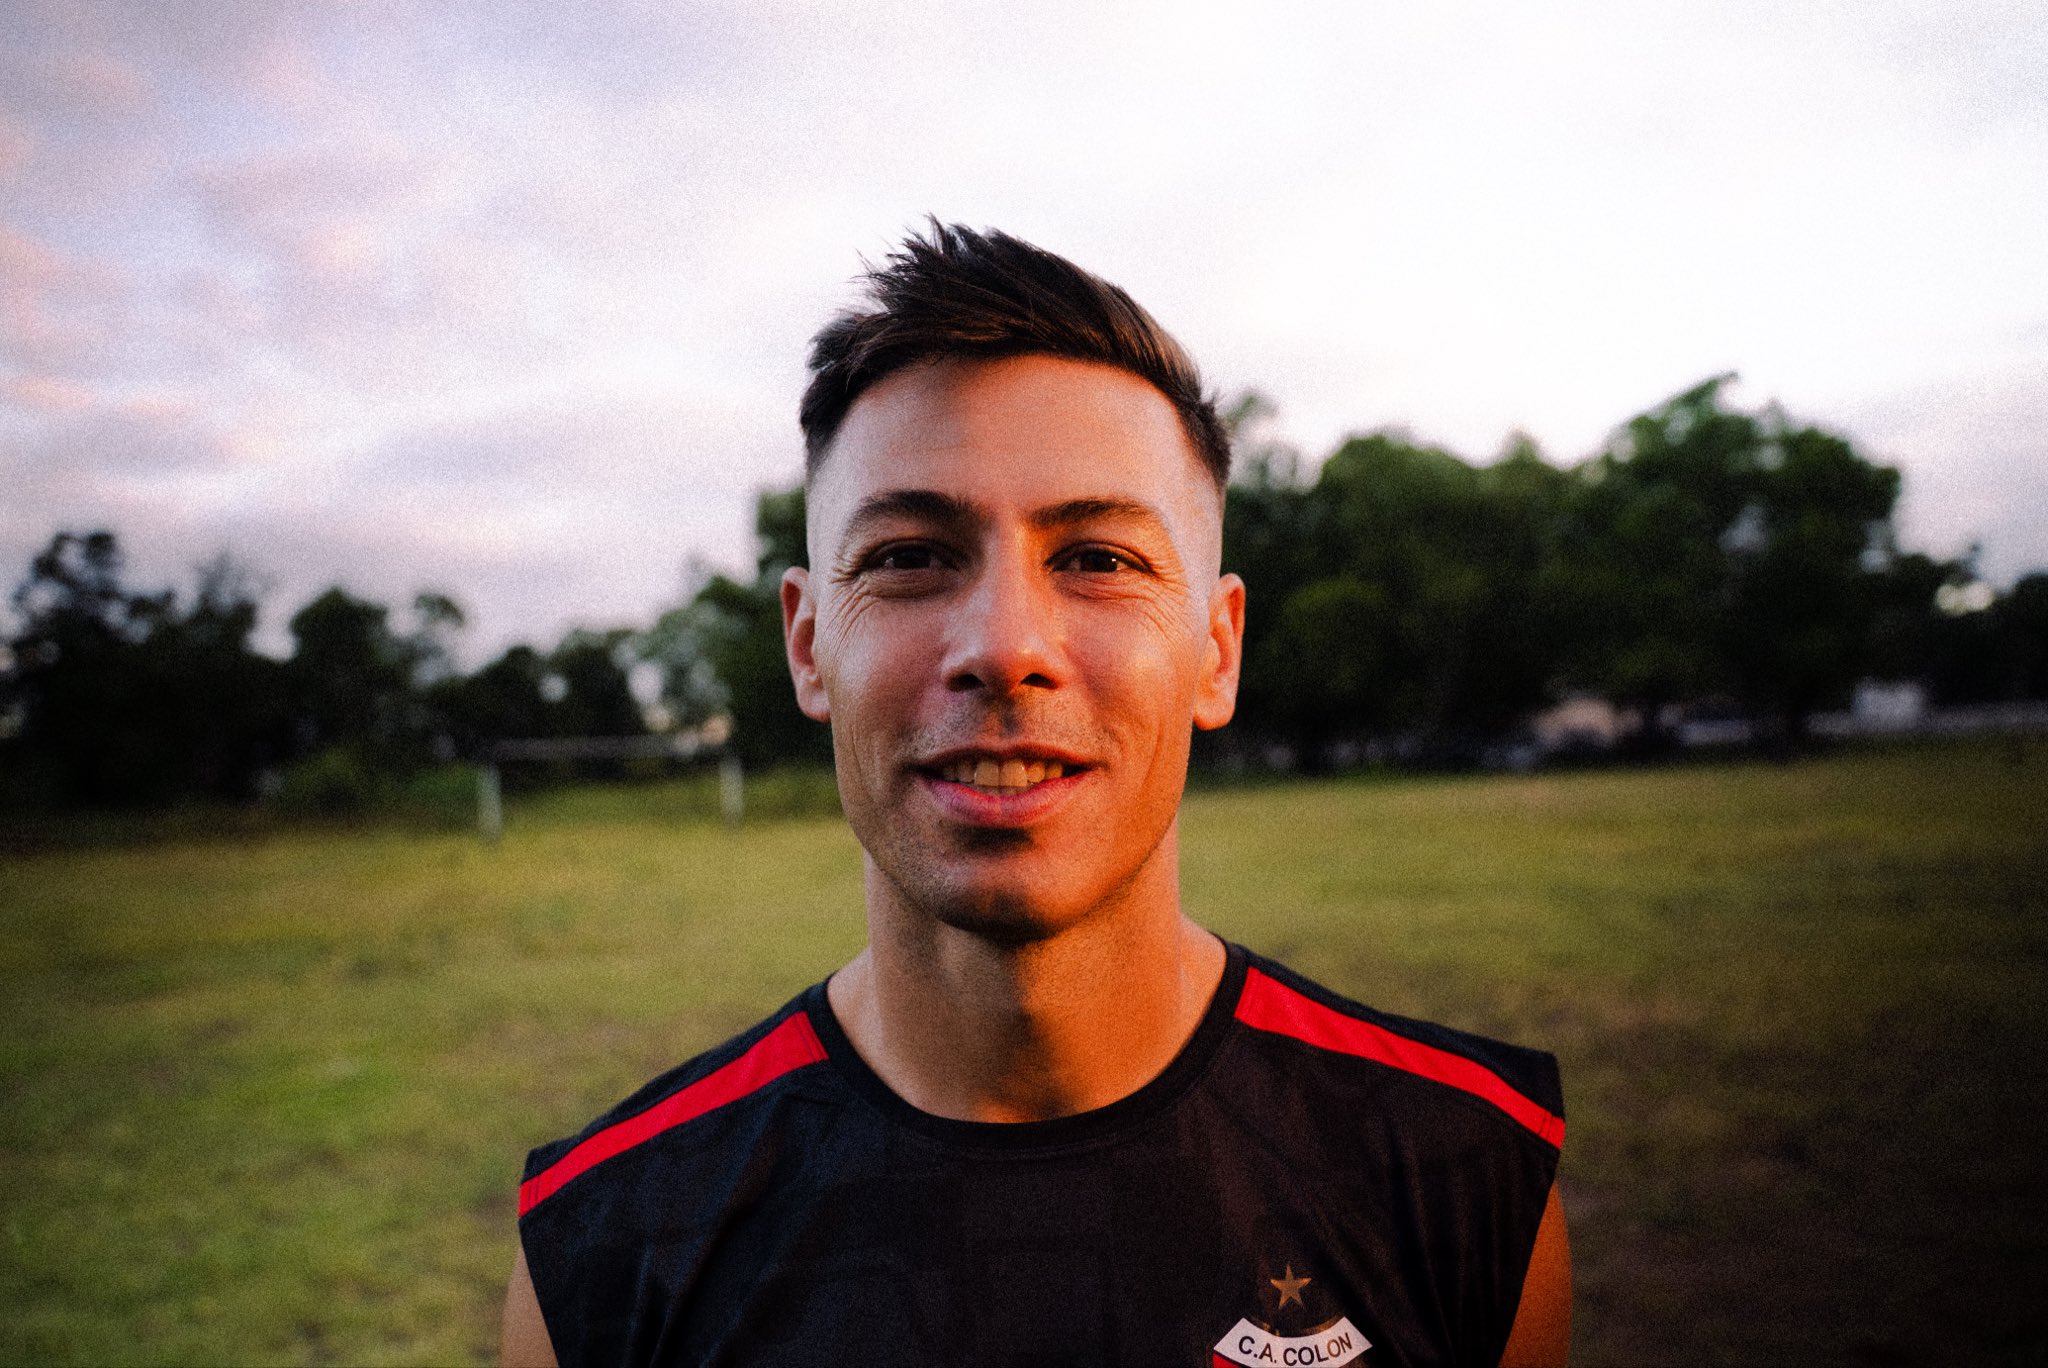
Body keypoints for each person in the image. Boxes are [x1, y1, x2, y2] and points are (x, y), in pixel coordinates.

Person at [502, 223, 1570, 1368]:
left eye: (1098, 559)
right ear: (808, 648)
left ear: (1215, 652)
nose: (1004, 646)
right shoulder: (605, 1245)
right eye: (909, 556)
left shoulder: (1464, 1167)